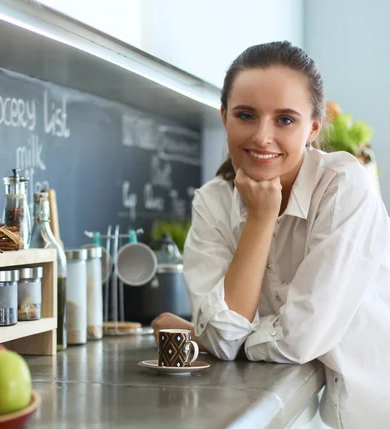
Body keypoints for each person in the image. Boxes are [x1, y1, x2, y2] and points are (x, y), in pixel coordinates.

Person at [151, 41, 390, 429]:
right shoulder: (213, 202)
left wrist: (211, 334)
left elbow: (297, 340)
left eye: (285, 120)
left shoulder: (345, 186)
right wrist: (261, 219)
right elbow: (225, 339)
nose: (262, 136)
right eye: (246, 115)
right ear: (225, 116)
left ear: (313, 128)